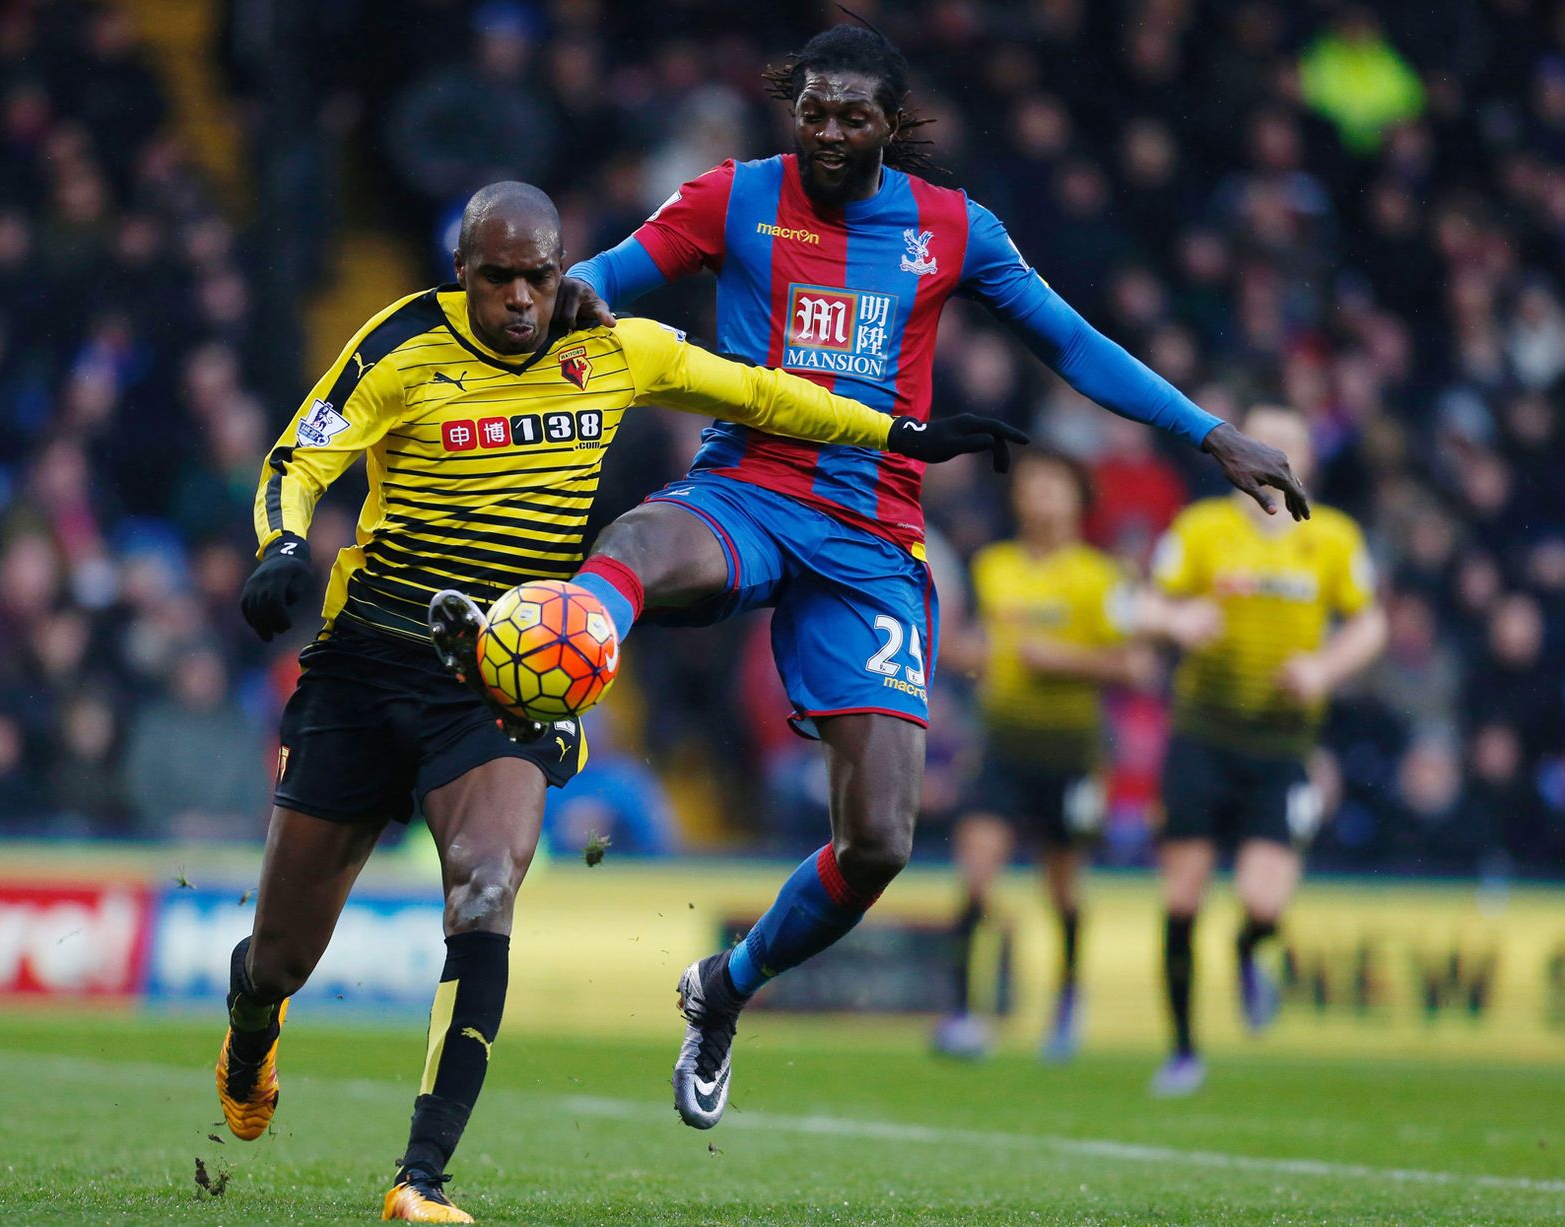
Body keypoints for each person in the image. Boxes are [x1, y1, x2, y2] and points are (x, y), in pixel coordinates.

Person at [215, 180, 1025, 1224]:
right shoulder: (401, 341)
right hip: (368, 666)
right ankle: (251, 1025)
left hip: (502, 672)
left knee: (486, 887)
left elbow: (760, 393)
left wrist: (901, 434)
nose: (517, 298)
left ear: (564, 272)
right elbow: (301, 452)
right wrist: (281, 541)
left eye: (536, 277)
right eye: (494, 278)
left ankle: (421, 1180)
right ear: (461, 275)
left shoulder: (616, 347)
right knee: (280, 956)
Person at [552, 21, 1308, 1129]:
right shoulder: (730, 197)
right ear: (790, 110)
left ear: (892, 125)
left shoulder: (951, 227)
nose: (828, 134)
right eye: (811, 112)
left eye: (853, 116)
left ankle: (725, 988)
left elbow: (1072, 341)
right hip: (747, 490)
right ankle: (551, 679)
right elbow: (608, 275)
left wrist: (1209, 435)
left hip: (870, 539)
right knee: (632, 547)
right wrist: (559, 292)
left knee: (879, 842)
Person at [1138, 405, 1386, 1097]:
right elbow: (1144, 605)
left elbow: (1370, 623)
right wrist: (1177, 617)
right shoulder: (1200, 529)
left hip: (1281, 743)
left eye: (1290, 444)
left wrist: (1324, 669)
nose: (1274, 454)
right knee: (1182, 895)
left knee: (1263, 901)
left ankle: (1251, 954)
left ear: (1307, 457)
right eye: (1261, 442)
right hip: (1203, 735)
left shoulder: (1332, 536)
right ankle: (1183, 1050)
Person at [934, 450, 1150, 1063]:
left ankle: (1066, 1004)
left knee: (1062, 889)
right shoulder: (995, 567)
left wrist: (1059, 659)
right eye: (1032, 486)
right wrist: (962, 651)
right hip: (1001, 747)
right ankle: (961, 1013)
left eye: (1054, 486)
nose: (1041, 497)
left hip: (1071, 753)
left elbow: (1136, 665)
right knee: (975, 878)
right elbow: (971, 649)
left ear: (1078, 499)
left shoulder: (1103, 578)